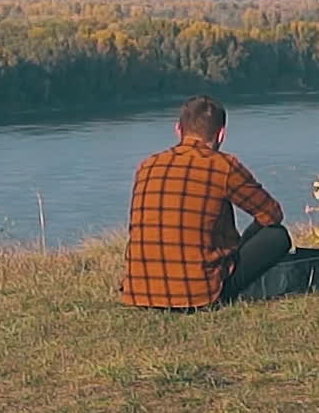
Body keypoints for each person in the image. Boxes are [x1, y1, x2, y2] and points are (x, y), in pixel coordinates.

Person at [120, 95, 291, 310]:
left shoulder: (147, 165)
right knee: (277, 235)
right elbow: (272, 215)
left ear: (178, 129)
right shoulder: (223, 165)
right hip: (199, 296)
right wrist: (245, 239)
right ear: (221, 134)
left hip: (140, 293)